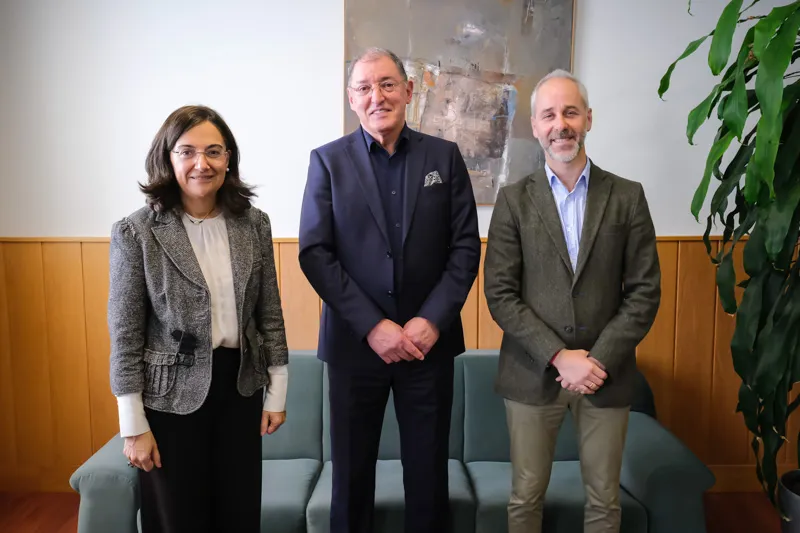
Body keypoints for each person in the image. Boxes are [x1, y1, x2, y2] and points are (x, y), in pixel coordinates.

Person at [298, 48, 481, 533]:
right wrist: (373, 326)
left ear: (408, 90)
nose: (376, 96)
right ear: (351, 100)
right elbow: (315, 253)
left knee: (427, 477)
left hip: (427, 349)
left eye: (386, 84)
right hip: (356, 349)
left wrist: (431, 321)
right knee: (351, 479)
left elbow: (464, 248)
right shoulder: (327, 162)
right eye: (364, 87)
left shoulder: (444, 157)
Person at [483, 69, 661, 533]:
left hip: (607, 373)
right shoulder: (513, 200)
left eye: (570, 112)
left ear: (588, 119)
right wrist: (560, 357)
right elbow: (500, 294)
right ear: (535, 126)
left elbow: (644, 292)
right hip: (532, 372)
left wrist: (596, 360)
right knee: (525, 499)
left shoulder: (627, 197)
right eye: (549, 115)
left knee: (605, 502)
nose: (560, 124)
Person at [108, 105, 290, 533]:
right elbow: (125, 334)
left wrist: (277, 392)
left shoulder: (253, 224)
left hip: (240, 389)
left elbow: (270, 314)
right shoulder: (137, 232)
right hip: (169, 398)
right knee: (178, 519)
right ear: (167, 159)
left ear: (229, 159)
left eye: (213, 151)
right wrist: (133, 425)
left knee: (238, 515)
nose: (201, 163)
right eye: (187, 151)